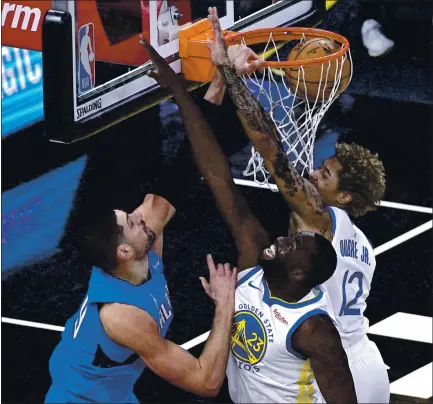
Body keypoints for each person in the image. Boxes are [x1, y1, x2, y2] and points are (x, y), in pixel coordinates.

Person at [141, 36, 357, 403]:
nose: (281, 240)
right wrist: (180, 91)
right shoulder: (256, 258)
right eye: (292, 237)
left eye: (292, 246)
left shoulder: (314, 329)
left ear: (299, 275)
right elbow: (215, 172)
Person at [204, 6, 389, 403]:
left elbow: (274, 154)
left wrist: (235, 78)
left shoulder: (317, 218)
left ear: (344, 197)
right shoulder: (363, 246)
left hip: (338, 368)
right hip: (369, 362)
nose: (316, 174)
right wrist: (266, 70)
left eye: (327, 174)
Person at [45, 193, 238, 403]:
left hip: (112, 392)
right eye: (131, 222)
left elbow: (165, 195)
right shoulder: (122, 316)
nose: (138, 216)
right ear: (125, 252)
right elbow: (206, 382)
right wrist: (225, 301)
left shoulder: (134, 247)